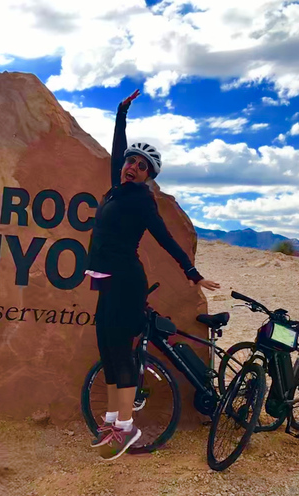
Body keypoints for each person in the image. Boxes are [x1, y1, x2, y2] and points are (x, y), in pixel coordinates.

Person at [83, 89, 221, 461]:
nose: (132, 166)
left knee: (122, 356)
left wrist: (192, 273)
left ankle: (126, 427)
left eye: (141, 166)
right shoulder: (117, 189)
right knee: (108, 351)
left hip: (126, 282)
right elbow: (117, 151)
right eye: (131, 161)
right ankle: (112, 420)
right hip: (107, 283)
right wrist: (121, 113)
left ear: (149, 176)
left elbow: (164, 239)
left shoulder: (141, 200)